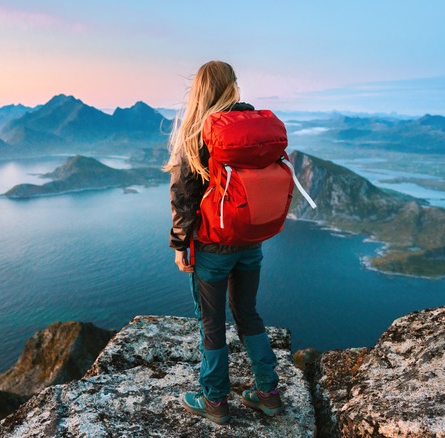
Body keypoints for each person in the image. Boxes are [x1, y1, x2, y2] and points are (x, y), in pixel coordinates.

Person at [165, 60, 284, 424]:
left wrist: (180, 245)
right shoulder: (253, 127)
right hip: (250, 239)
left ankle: (215, 399)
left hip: (213, 246)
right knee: (248, 314)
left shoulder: (199, 132)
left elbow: (184, 196)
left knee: (212, 323)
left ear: (199, 90)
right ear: (233, 85)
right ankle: (269, 393)